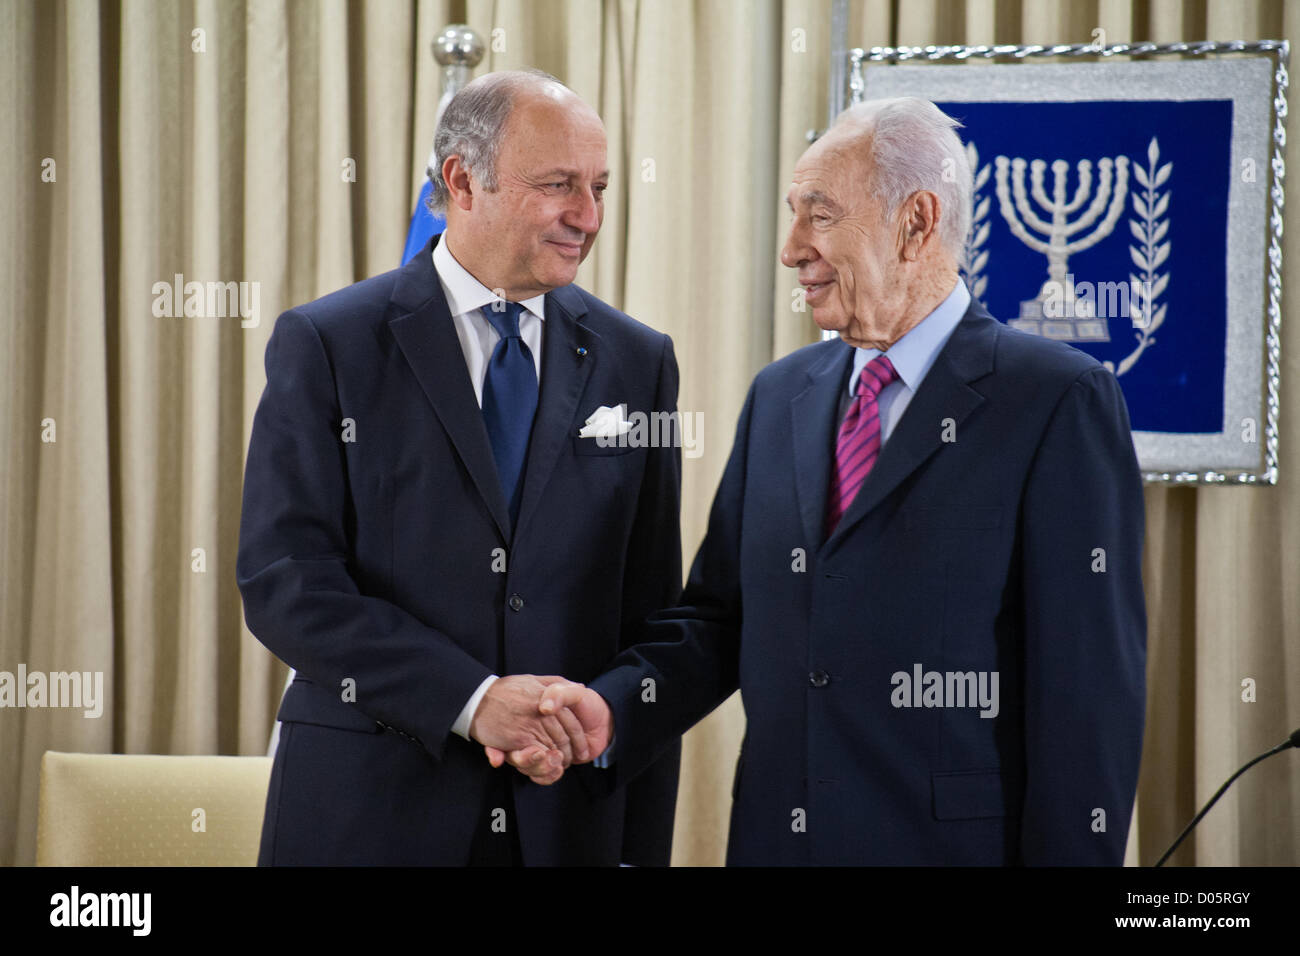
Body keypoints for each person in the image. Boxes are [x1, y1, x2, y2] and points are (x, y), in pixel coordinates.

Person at [511, 96, 1147, 865]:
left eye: (819, 215)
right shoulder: (780, 395)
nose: (790, 249)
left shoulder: (1054, 401)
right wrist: (612, 710)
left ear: (915, 222)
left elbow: (1087, 699)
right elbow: (720, 622)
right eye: (792, 215)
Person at [236, 69, 683, 866]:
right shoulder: (329, 343)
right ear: (461, 180)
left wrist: (600, 723)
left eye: (600, 187)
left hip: (566, 816)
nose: (588, 216)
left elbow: (651, 607)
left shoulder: (639, 362)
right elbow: (286, 581)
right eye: (558, 186)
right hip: (370, 812)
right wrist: (473, 703)